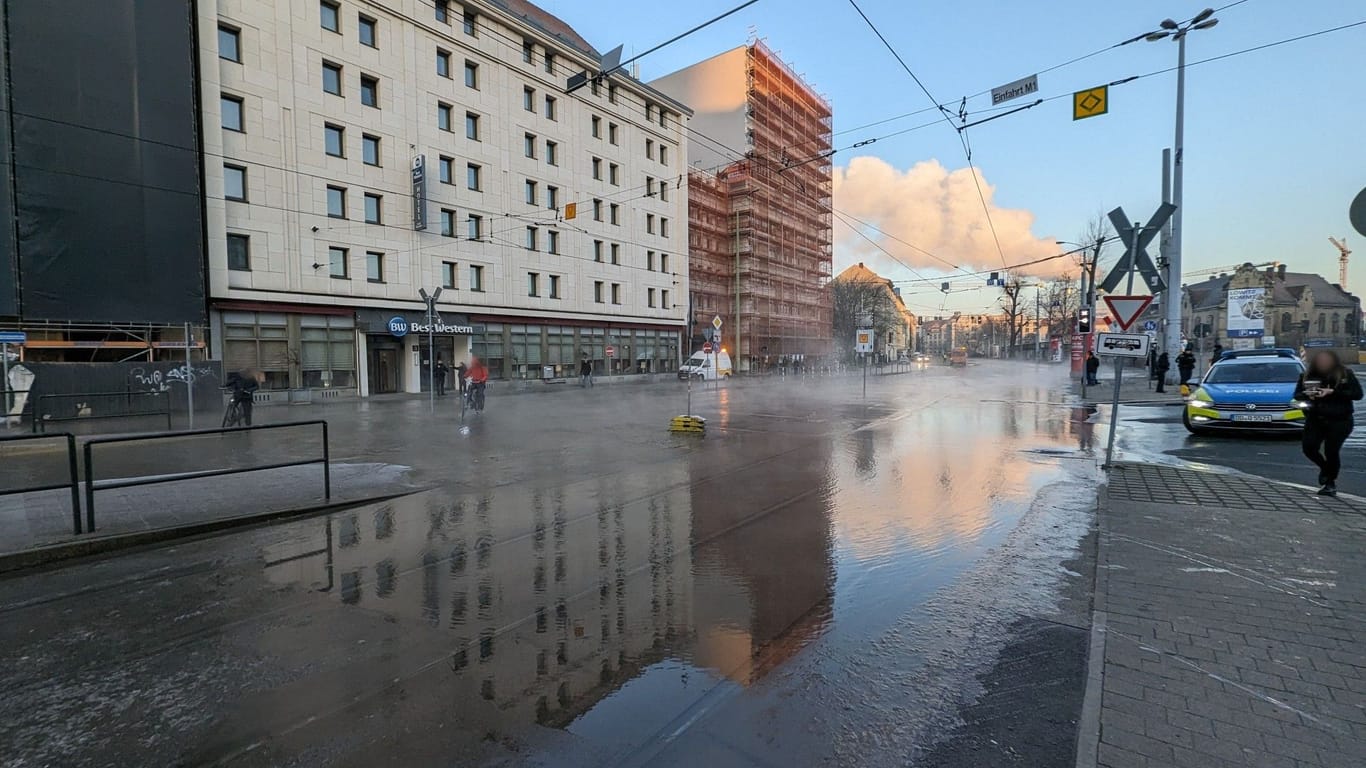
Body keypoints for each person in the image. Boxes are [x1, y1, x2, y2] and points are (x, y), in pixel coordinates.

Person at [1294, 350, 1363, 496]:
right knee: (1309, 448)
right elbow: (1297, 395)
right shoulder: (1307, 376)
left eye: (1327, 360)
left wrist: (1332, 392)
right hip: (1315, 418)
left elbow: (1357, 394)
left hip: (1339, 420)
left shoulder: (1344, 374)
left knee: (1331, 451)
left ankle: (1329, 483)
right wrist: (1308, 394)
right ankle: (1325, 469)